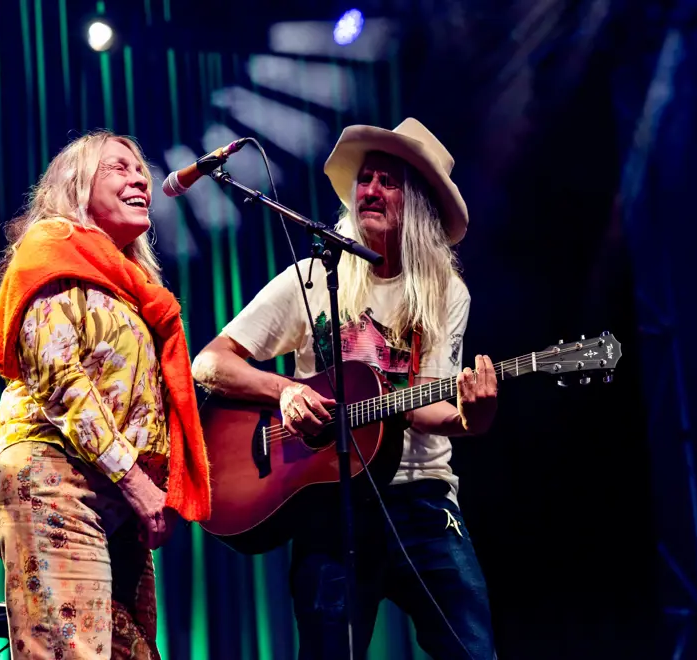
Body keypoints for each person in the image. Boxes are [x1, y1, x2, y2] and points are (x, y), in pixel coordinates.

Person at [191, 118, 499, 659]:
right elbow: (209, 362)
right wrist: (284, 391)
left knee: (473, 651)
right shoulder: (312, 277)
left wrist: (474, 419)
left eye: (388, 180)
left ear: (420, 202)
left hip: (420, 500)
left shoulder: (446, 292)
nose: (370, 190)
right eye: (365, 178)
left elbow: (426, 404)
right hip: (329, 502)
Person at [0, 131, 210, 660]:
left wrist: (158, 483)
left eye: (142, 173)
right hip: (52, 476)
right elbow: (61, 379)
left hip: (117, 496)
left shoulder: (132, 287)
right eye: (119, 168)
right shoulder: (50, 250)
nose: (140, 180)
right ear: (78, 186)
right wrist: (138, 483)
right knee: (70, 651)